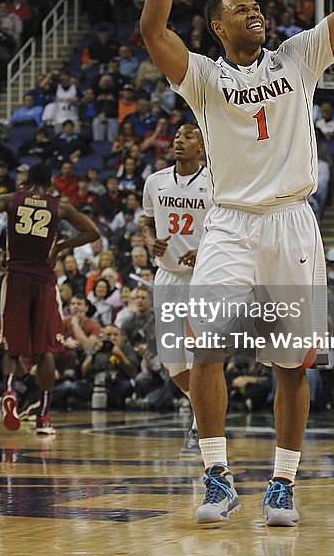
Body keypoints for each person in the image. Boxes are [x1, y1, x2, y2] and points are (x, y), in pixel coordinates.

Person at [141, 0, 334, 527]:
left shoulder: (298, 57)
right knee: (206, 350)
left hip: (293, 222)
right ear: (217, 26)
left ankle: (282, 484)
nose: (257, 14)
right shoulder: (204, 78)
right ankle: (217, 476)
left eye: (258, 7)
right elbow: (151, 30)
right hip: (229, 222)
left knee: (292, 366)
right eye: (241, 9)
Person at [0, 163, 101, 435]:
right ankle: (43, 415)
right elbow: (92, 232)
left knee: (10, 345)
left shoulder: (10, 199)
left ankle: (9, 391)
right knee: (46, 349)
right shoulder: (59, 206)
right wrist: (62, 246)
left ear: (26, 181)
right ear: (50, 184)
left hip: (15, 275)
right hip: (43, 278)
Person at [140, 123, 213, 455]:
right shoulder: (155, 181)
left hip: (204, 276)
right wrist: (148, 241)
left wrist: (206, 248)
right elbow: (146, 220)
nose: (179, 141)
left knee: (202, 355)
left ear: (202, 146)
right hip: (167, 276)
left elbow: (227, 224)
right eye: (177, 137)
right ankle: (203, 407)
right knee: (172, 363)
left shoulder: (215, 181)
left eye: (188, 137)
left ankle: (203, 424)